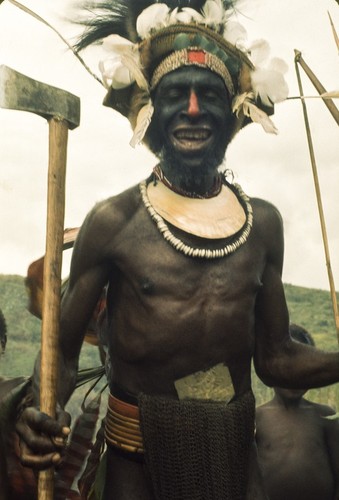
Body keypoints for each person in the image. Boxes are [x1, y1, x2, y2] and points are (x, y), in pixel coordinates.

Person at [14, 1, 339, 499]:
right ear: (149, 112)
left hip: (235, 461)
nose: (192, 108)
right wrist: (41, 408)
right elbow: (57, 351)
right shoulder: (114, 223)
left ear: (234, 112)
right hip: (137, 470)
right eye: (175, 95)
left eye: (208, 93)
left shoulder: (263, 226)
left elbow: (274, 361)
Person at [256, 324, 339, 500]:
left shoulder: (324, 415)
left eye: (303, 372)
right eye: (288, 371)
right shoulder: (257, 418)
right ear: (270, 373)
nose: (294, 378)